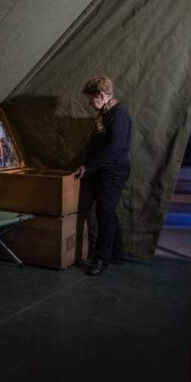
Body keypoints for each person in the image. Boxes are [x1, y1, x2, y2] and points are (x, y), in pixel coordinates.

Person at [75, 76, 131, 276]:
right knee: (108, 211)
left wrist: (89, 166)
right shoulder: (105, 114)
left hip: (113, 171)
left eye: (91, 99)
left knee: (104, 213)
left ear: (102, 95)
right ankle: (116, 253)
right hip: (102, 170)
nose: (90, 103)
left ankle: (101, 259)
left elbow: (114, 148)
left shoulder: (119, 115)